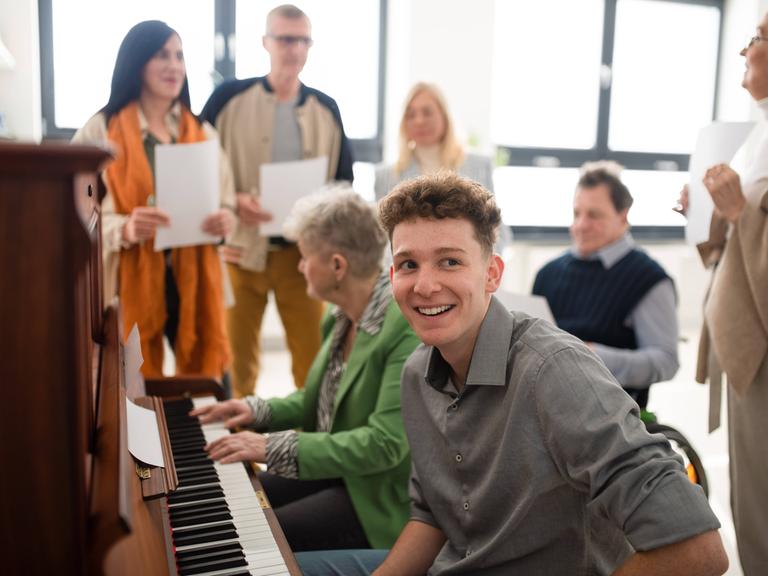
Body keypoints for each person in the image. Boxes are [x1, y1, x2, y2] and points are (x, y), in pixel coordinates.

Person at [298, 172, 729, 575]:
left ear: (492, 274)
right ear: (392, 276)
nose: (424, 284)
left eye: (449, 262)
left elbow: (699, 549)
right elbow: (431, 514)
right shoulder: (416, 374)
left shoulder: (555, 372)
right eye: (409, 264)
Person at [190, 188, 419, 552]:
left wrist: (269, 445)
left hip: (375, 495)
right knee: (231, 500)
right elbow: (320, 398)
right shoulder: (342, 315)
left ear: (337, 266)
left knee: (254, 537)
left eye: (304, 256)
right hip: (337, 470)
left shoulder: (403, 329)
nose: (299, 266)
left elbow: (384, 445)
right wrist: (254, 410)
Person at [200, 4, 354, 398]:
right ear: (266, 42)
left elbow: (343, 186)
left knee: (313, 363)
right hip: (240, 253)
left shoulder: (327, 108)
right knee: (237, 364)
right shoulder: (227, 100)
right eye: (286, 39)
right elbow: (195, 168)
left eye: (304, 40)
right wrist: (233, 200)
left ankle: (311, 451)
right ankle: (239, 449)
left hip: (303, 258)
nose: (295, 49)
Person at [72, 20, 233, 378]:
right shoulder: (100, 130)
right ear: (137, 62)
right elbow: (73, 213)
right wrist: (125, 228)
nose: (174, 66)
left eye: (179, 56)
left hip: (192, 276)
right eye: (162, 55)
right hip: (126, 282)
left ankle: (209, 434)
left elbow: (227, 204)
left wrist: (225, 221)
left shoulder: (202, 132)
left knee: (211, 381)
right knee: (129, 382)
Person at [681, 14, 768, 574]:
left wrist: (741, 212)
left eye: (758, 37)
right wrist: (711, 221)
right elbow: (736, 248)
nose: (744, 47)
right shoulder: (757, 132)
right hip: (749, 346)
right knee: (751, 505)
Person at [532, 163, 679, 407]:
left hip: (608, 413)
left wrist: (593, 357)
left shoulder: (648, 279)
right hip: (543, 403)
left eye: (594, 215)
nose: (580, 225)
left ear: (623, 216)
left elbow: (666, 362)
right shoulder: (548, 274)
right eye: (576, 214)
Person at [374, 82, 510, 252]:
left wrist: (482, 269)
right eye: (411, 114)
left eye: (427, 112)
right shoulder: (386, 175)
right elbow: (384, 240)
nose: (419, 121)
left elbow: (497, 230)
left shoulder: (479, 165)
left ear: (444, 116)